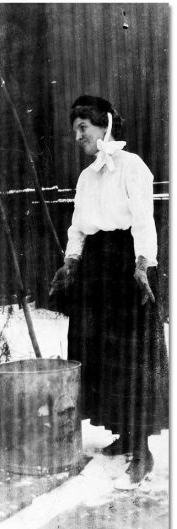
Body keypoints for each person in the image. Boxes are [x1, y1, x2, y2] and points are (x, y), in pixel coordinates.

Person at [50, 95, 169, 487]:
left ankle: (143, 450)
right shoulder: (87, 177)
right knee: (99, 352)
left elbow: (143, 219)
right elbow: (78, 227)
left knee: (130, 354)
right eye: (74, 130)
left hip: (125, 266)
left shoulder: (132, 167)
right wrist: (71, 262)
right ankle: (121, 433)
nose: (77, 135)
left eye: (83, 127)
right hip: (95, 270)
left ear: (104, 126)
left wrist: (143, 264)